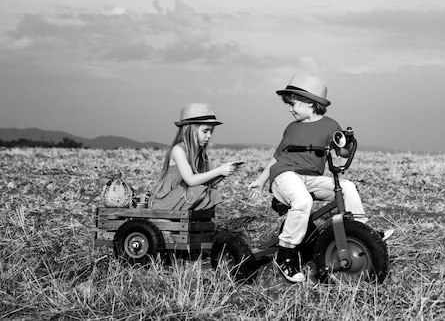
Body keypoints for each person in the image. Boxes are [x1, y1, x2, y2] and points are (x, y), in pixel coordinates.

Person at [248, 74, 369, 283]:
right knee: (303, 201)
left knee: (347, 187)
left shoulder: (331, 125)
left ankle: (363, 231)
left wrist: (347, 143)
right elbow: (277, 157)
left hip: (311, 178)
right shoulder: (292, 128)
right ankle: (286, 254)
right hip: (285, 175)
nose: (290, 109)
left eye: (293, 104)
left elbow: (342, 153)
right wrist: (260, 181)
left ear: (311, 103)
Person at [149, 103, 240, 211]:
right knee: (201, 192)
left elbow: (203, 181)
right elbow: (191, 181)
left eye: (211, 131)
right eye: (205, 131)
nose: (209, 136)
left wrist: (224, 172)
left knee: (209, 192)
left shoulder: (200, 153)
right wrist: (219, 170)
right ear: (190, 130)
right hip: (165, 201)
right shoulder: (178, 150)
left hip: (182, 196)